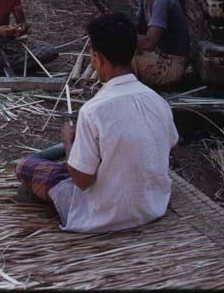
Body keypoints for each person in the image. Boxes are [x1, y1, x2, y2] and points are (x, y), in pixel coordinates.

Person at [16, 12, 178, 233]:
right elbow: (172, 143)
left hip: (103, 215)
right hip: (152, 206)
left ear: (97, 57)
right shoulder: (158, 101)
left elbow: (82, 180)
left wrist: (68, 143)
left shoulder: (94, 110)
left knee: (25, 166)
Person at [120, 0, 189, 88]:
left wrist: (118, 35)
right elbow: (138, 30)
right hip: (159, 56)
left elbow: (150, 43)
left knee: (116, 54)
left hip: (170, 66)